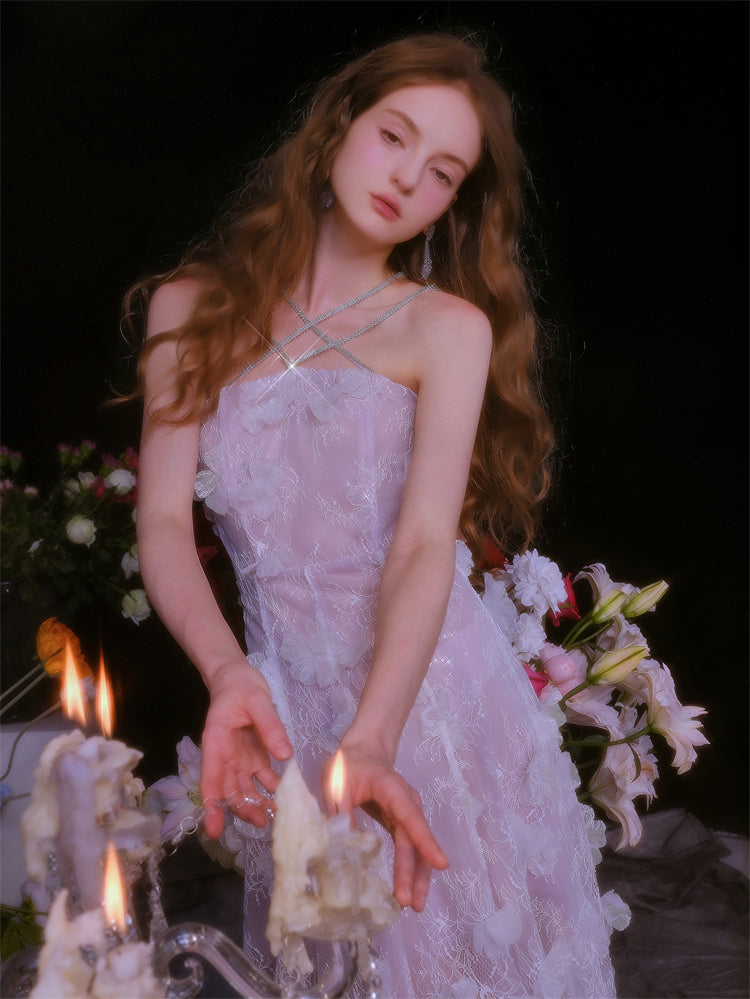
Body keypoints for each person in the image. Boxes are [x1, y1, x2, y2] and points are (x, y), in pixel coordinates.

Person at [130, 32, 617, 998]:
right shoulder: (190, 309)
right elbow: (161, 523)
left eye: (443, 173)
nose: (407, 179)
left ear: (455, 201)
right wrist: (227, 672)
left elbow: (426, 543)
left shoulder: (447, 329)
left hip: (430, 699)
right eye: (395, 136)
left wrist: (378, 733)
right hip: (281, 708)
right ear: (337, 126)